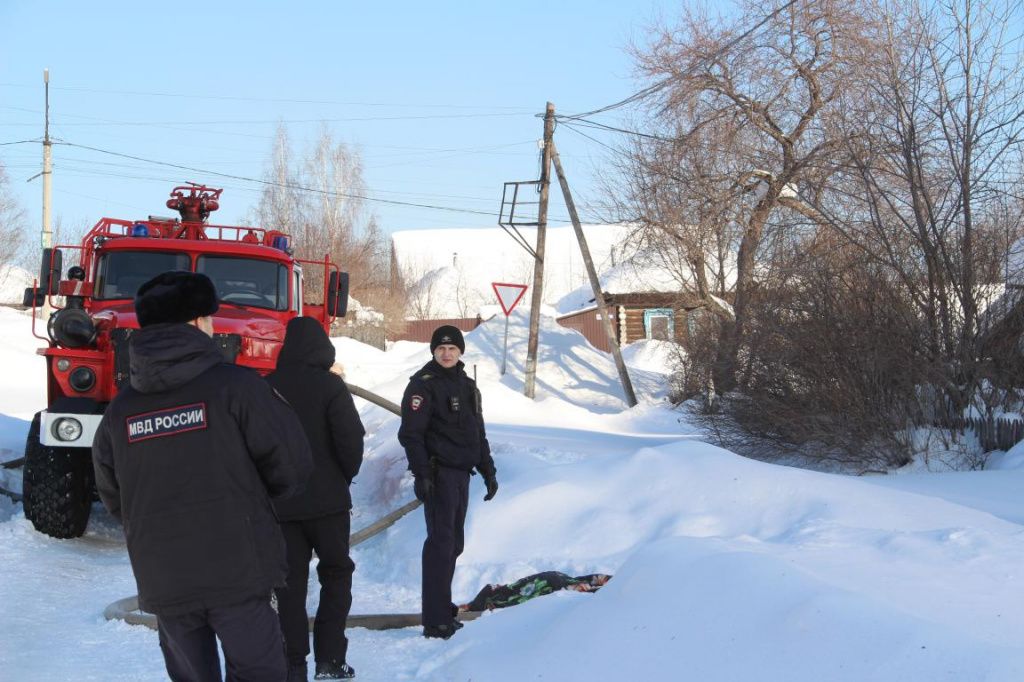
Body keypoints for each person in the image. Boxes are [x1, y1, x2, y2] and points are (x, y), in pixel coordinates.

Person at [91, 271, 313, 682]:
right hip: (238, 571)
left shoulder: (120, 410)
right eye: (210, 319)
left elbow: (113, 494)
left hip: (164, 576)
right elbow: (291, 467)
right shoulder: (238, 388)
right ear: (197, 323)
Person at [266, 317, 365, 682]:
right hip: (329, 506)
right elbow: (350, 441)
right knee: (336, 575)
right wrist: (342, 478)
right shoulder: (331, 387)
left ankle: (293, 663)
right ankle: (330, 659)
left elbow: (254, 445)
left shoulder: (266, 388)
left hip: (282, 507)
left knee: (289, 584)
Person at [398, 324, 499, 640]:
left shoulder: (467, 386)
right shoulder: (422, 386)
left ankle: (442, 607)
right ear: (433, 351)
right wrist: (422, 474)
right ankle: (435, 619)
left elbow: (477, 433)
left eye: (452, 349)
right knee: (441, 545)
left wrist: (488, 470)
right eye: (441, 349)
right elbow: (411, 435)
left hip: (461, 475)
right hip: (439, 474)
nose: (446, 353)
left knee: (454, 544)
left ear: (460, 352)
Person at [459, 572, 612, 613]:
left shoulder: (501, 598)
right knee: (576, 584)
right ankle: (607, 581)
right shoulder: (504, 594)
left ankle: (609, 585)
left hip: (551, 580)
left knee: (577, 589)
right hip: (551, 579)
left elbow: (471, 607)